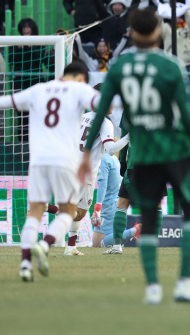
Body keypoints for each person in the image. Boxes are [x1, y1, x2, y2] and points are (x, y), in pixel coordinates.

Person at [79, 9, 190, 304]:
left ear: (130, 32)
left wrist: (84, 156)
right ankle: (184, 282)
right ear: (158, 31)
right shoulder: (171, 65)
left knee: (149, 220)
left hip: (141, 156)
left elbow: (100, 109)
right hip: (175, 150)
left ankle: (153, 287)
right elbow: (185, 111)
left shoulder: (119, 66)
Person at [0, 61, 99, 282]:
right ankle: (44, 244)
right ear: (81, 78)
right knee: (69, 212)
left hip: (38, 160)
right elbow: (105, 102)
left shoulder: (38, 89)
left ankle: (25, 264)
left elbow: (3, 102)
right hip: (64, 160)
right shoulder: (79, 89)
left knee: (35, 212)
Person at [64, 83, 130, 256]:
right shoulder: (104, 122)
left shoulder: (83, 117)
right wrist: (129, 137)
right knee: (79, 214)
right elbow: (111, 149)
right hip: (86, 172)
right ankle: (46, 208)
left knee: (76, 208)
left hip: (71, 166)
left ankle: (71, 247)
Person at [91, 151, 142, 248]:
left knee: (97, 244)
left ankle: (136, 230)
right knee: (112, 242)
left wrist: (97, 208)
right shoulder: (113, 158)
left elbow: (103, 185)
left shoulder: (103, 160)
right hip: (115, 202)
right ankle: (133, 231)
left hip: (108, 206)